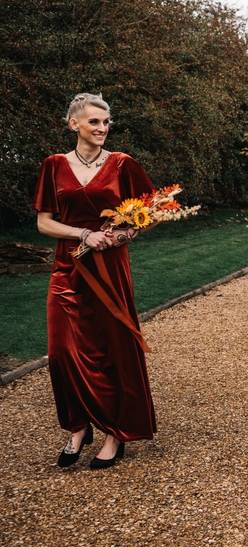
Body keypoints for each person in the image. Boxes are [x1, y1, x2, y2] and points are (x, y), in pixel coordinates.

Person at [35, 93, 156, 470]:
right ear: (74, 125)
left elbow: (146, 213)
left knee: (112, 348)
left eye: (106, 123)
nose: (102, 129)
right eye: (94, 123)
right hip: (67, 269)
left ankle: (114, 432)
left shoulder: (123, 164)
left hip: (110, 269)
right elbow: (44, 222)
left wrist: (120, 236)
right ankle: (77, 426)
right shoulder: (54, 166)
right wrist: (83, 235)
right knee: (62, 352)